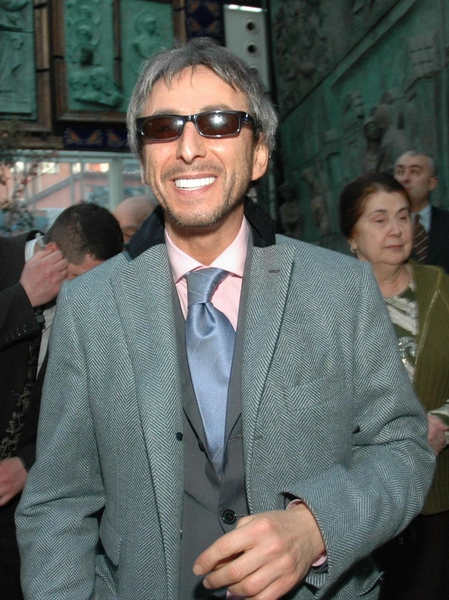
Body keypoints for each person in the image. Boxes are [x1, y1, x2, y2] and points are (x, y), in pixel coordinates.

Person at [16, 39, 434, 600]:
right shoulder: (90, 308)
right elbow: (58, 503)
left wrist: (316, 526)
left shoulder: (340, 289)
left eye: (218, 123)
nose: (188, 148)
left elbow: (402, 449)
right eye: (163, 127)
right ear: (144, 160)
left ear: (259, 153)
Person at [0, 202, 123, 600]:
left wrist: (27, 464)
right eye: (79, 279)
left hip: (23, 518)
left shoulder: (103, 305)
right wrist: (22, 298)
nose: (90, 294)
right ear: (50, 254)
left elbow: (92, 411)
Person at [339, 171, 449, 599]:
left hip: (438, 493)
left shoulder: (440, 289)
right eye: (380, 219)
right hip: (362, 495)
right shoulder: (330, 302)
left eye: (403, 216)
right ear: (352, 236)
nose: (396, 229)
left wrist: (441, 422)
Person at [394, 150, 449, 272]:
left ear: (432, 183)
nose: (405, 178)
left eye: (414, 172)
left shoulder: (446, 222)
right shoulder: (382, 227)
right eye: (400, 172)